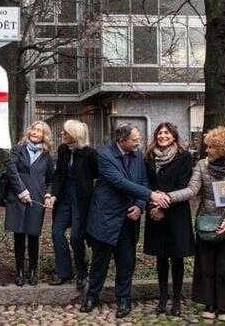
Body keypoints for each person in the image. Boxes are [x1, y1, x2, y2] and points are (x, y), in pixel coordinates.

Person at [80, 124, 172, 319]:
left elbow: (143, 181)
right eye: (135, 139)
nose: (139, 142)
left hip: (129, 217)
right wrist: (151, 196)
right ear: (122, 140)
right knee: (100, 261)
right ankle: (92, 296)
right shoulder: (105, 156)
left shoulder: (138, 155)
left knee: (126, 261)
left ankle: (124, 298)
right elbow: (120, 182)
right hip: (106, 217)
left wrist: (140, 205)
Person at [165, 126, 225, 322]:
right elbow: (192, 190)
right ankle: (209, 303)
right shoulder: (202, 165)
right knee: (207, 266)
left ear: (223, 149)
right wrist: (167, 196)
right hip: (207, 225)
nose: (207, 150)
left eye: (211, 147)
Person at [143, 122, 194, 316]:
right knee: (161, 258)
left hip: (176, 214)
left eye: (167, 133)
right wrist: (153, 206)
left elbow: (183, 184)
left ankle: (177, 300)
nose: (163, 135)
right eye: (160, 133)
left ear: (174, 136)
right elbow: (145, 183)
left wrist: (164, 208)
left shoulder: (184, 157)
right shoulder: (149, 157)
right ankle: (163, 297)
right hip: (154, 213)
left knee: (177, 257)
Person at [4, 120, 55, 286]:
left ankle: (33, 271)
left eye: (39, 130)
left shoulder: (47, 155)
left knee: (33, 235)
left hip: (36, 199)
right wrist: (21, 190)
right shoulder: (18, 149)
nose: (35, 132)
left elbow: (51, 179)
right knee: (19, 235)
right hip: (17, 198)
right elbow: (11, 169)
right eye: (33, 129)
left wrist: (48, 194)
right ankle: (19, 272)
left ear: (44, 135)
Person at [50, 120, 98, 290]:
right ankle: (64, 273)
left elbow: (99, 176)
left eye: (65, 132)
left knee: (77, 237)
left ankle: (82, 272)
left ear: (75, 135)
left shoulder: (90, 153)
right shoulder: (63, 150)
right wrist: (52, 194)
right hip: (64, 199)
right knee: (56, 233)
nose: (62, 134)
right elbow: (58, 175)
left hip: (82, 201)